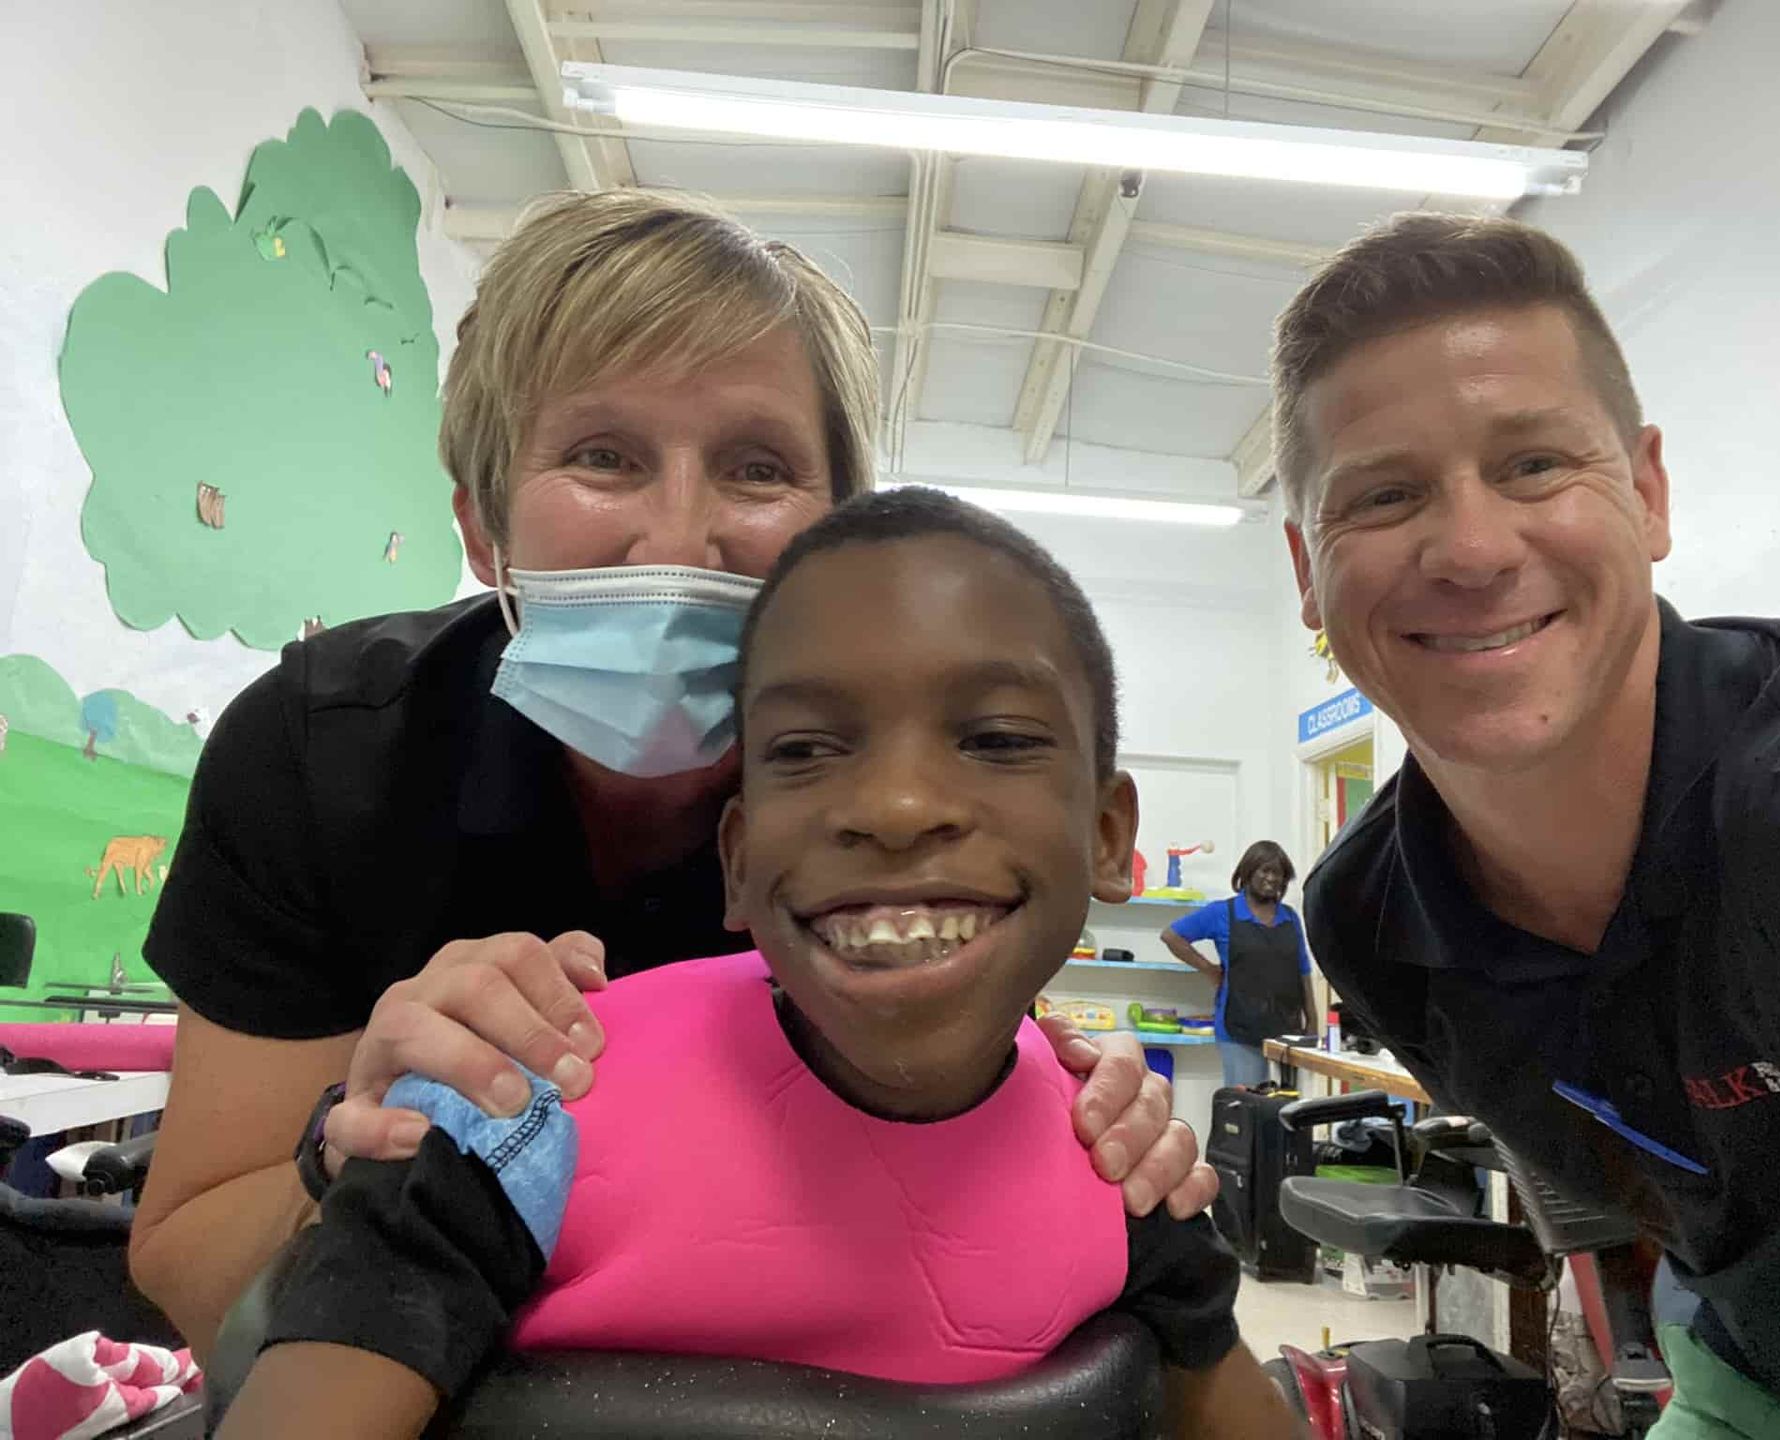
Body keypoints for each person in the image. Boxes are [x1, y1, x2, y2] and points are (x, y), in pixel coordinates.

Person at [128, 190, 1214, 1357]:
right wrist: (354, 1148)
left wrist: (1087, 1132)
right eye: (603, 458)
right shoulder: (322, 751)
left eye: (757, 469)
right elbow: (189, 1272)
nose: (679, 536)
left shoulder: (890, 799)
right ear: (484, 528)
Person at [217, 490, 1304, 1440]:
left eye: (996, 738)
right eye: (806, 750)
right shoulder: (518, 1115)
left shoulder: (1126, 1173)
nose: (896, 810)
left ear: (1110, 837)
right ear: (737, 864)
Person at [1275, 212, 1780, 1439]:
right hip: (1762, 1386)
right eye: (1388, 493)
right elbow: (1634, 1203)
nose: (1470, 548)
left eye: (1532, 466)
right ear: (1309, 567)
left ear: (1648, 491)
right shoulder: (1371, 918)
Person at [1159, 841, 1317, 1087]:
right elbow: (1172, 935)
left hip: (1287, 1029)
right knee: (1247, 1108)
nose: (1271, 878)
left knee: (1285, 1111)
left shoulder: (1289, 917)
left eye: (1278, 873)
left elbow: (1303, 970)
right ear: (1247, 872)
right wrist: (1209, 969)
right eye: (1264, 870)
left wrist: (1313, 1023)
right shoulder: (1223, 913)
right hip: (1239, 1028)